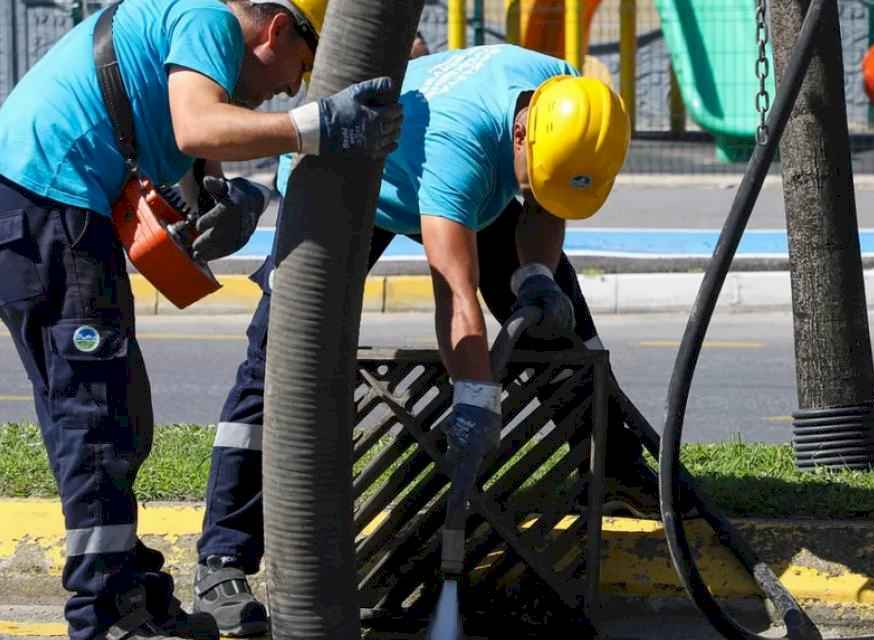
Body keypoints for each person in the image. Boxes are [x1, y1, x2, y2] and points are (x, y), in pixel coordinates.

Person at [0, 0, 404, 638]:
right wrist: (318, 125)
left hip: (30, 213)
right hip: (45, 210)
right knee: (95, 417)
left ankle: (130, 589)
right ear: (276, 29)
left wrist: (228, 198)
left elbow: (193, 154)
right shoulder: (210, 18)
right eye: (300, 68)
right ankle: (105, 614)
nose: (290, 89)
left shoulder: (186, 43)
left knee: (113, 413)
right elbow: (199, 129)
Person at [193, 44, 654, 637]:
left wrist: (537, 274)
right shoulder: (456, 149)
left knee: (561, 334)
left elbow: (546, 199)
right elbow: (455, 296)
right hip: (347, 180)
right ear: (522, 133)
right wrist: (474, 395)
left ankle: (615, 472)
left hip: (468, 167)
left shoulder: (572, 101)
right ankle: (223, 557)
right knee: (277, 357)